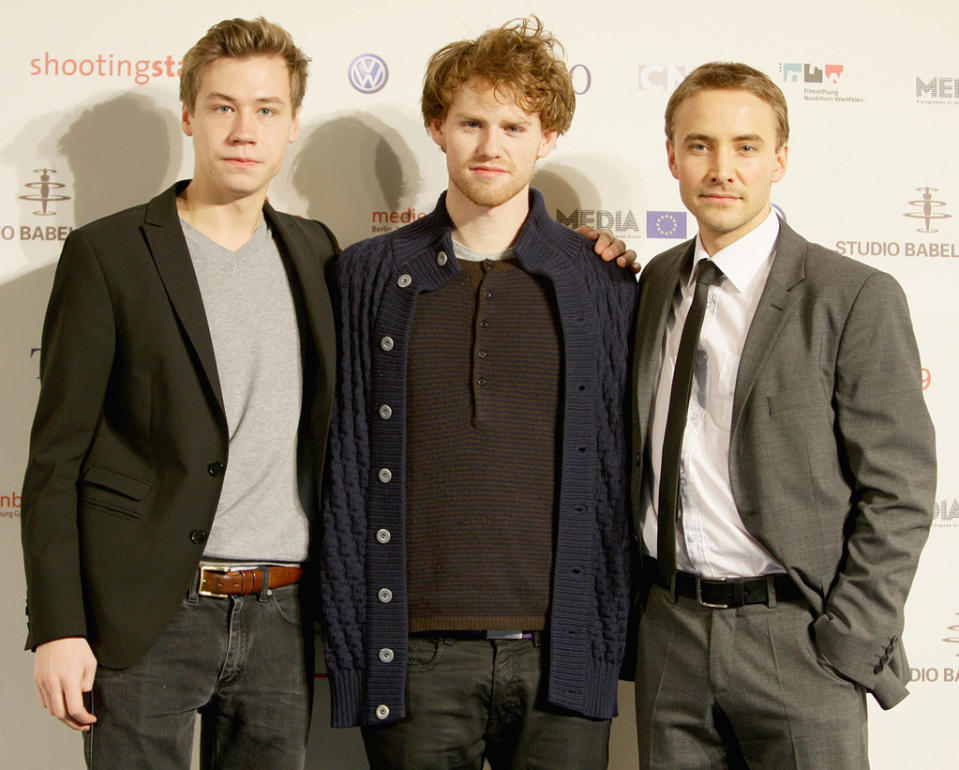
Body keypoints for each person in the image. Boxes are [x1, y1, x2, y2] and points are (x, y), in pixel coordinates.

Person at [319, 17, 638, 770]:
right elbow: (338, 463)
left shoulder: (604, 280)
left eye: (512, 125)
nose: (490, 146)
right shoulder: (364, 276)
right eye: (470, 122)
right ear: (437, 126)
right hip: (412, 656)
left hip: (559, 654)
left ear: (546, 135)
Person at [21, 17, 338, 768]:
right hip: (149, 609)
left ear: (292, 123)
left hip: (284, 613)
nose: (243, 129)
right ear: (189, 114)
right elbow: (56, 459)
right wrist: (59, 625)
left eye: (265, 109)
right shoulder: (108, 253)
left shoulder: (317, 250)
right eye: (222, 106)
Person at [630, 61, 936, 768]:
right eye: (699, 144)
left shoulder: (849, 294)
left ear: (779, 160)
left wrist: (850, 637)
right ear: (672, 156)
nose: (721, 168)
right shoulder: (653, 282)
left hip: (797, 638)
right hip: (669, 632)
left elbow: (899, 488)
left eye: (744, 146)